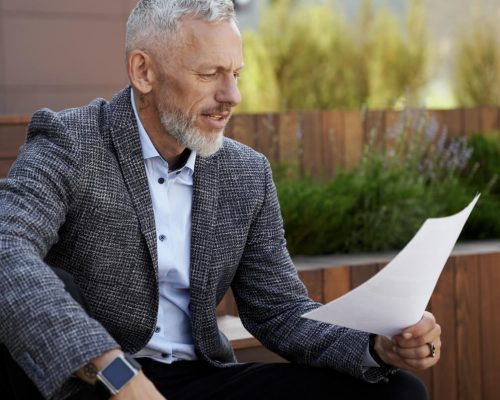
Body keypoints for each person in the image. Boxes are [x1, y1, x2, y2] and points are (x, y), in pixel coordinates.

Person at [0, 1, 441, 399]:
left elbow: (280, 311)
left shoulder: (246, 173)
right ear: (144, 72)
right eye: (209, 74)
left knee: (398, 392)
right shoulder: (71, 142)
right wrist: (117, 373)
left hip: (201, 378)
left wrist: (376, 345)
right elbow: (6, 247)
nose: (232, 96)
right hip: (92, 381)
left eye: (236, 75)